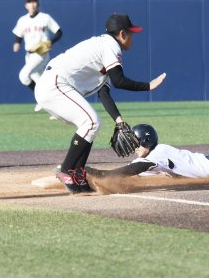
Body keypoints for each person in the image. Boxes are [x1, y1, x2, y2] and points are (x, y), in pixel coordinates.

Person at [35, 13, 167, 194]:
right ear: (122, 34)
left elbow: (103, 91)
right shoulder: (111, 46)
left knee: (91, 124)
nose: (132, 37)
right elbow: (119, 81)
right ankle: (67, 170)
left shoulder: (102, 48)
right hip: (55, 84)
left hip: (53, 85)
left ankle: (78, 173)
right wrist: (148, 86)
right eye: (131, 33)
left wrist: (119, 120)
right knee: (91, 122)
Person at [12, 0, 62, 112]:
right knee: (38, 80)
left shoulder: (45, 17)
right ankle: (55, 108)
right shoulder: (22, 20)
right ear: (26, 5)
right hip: (28, 54)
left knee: (23, 76)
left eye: (34, 1)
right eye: (30, 2)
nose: (32, 4)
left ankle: (40, 99)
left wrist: (50, 42)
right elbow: (18, 35)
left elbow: (59, 32)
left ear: (37, 4)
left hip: (40, 53)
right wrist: (16, 43)